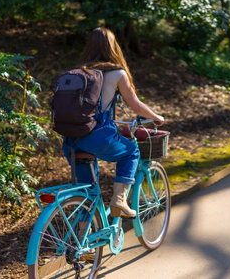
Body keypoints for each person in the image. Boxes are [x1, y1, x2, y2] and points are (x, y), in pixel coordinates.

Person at [62, 27, 164, 218]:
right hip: (98, 136)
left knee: (87, 194)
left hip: (71, 140)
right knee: (131, 152)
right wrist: (157, 118)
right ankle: (119, 200)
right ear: (112, 46)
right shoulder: (116, 74)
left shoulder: (77, 72)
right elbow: (135, 105)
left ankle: (82, 244)